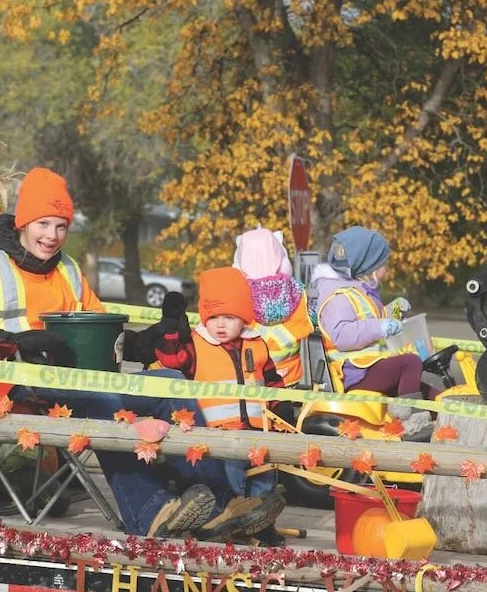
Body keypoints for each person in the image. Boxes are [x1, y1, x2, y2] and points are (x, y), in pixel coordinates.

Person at [0, 167, 217, 539]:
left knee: (172, 382)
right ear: (23, 222)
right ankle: (148, 511)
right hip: (6, 388)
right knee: (103, 398)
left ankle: (213, 500)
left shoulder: (67, 268)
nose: (52, 236)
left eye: (61, 226)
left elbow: (104, 336)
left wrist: (151, 339)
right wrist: (14, 340)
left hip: (71, 379)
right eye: (43, 224)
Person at [144, 267, 286, 544]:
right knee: (232, 483)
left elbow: (271, 381)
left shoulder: (257, 344)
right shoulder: (195, 345)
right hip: (218, 435)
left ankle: (261, 524)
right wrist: (171, 328)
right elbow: (172, 361)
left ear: (243, 318)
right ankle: (228, 523)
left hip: (258, 432)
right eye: (214, 317)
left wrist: (280, 409)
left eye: (229, 318)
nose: (220, 325)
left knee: (265, 480)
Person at [310, 226, 435, 441]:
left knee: (431, 394)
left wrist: (392, 310)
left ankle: (440, 420)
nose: (386, 270)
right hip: (354, 372)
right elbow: (342, 334)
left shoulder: (355, 290)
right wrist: (381, 327)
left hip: (368, 366)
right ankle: (409, 427)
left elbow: (369, 318)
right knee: (410, 363)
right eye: (383, 265)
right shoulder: (339, 297)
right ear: (367, 267)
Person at [233, 227, 314, 386]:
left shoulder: (237, 297)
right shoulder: (298, 293)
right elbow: (314, 322)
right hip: (289, 377)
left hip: (249, 379)